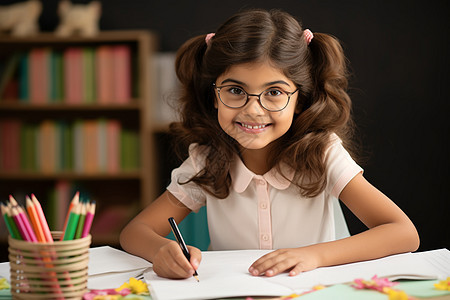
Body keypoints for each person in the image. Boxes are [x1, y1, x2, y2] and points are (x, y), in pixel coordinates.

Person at [120, 8, 419, 279]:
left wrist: (313, 255)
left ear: (300, 98)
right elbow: (135, 232)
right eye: (235, 89)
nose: (253, 109)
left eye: (274, 92)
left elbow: (403, 233)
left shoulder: (323, 152)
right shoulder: (207, 159)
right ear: (214, 96)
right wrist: (161, 251)